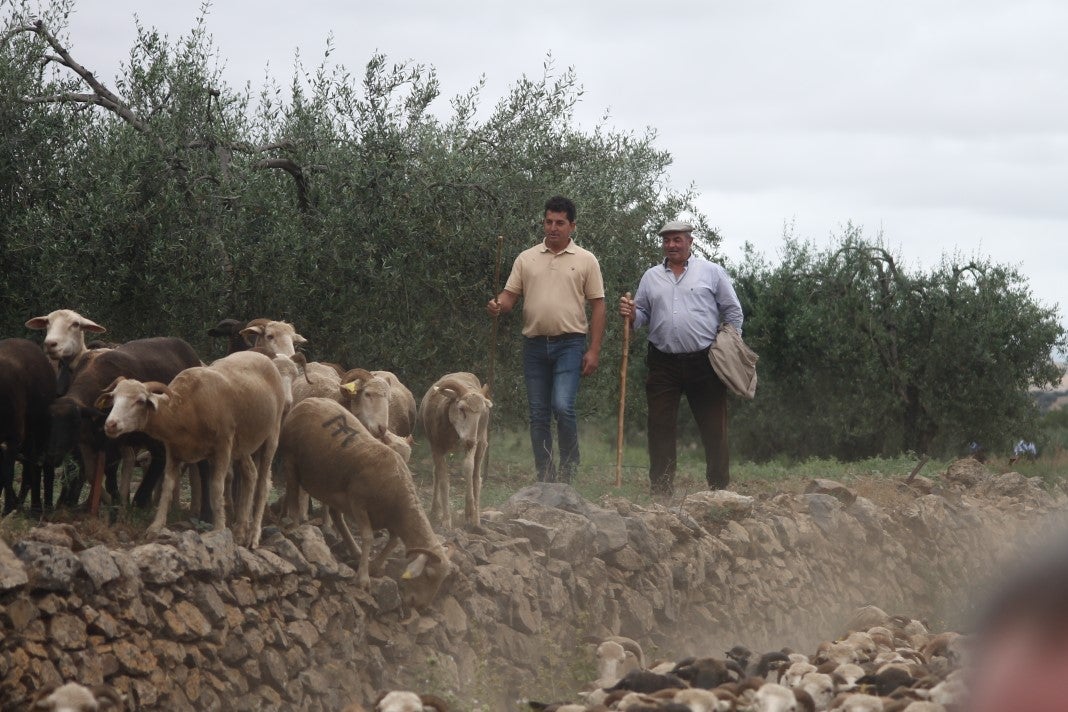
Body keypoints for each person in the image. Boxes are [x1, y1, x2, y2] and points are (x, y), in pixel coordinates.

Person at [619, 220, 744, 496]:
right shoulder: (651, 276)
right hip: (663, 362)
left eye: (677, 240)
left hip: (705, 361)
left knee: (714, 428)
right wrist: (630, 315)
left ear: (690, 242)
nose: (671, 245)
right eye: (667, 241)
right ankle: (661, 491)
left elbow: (733, 311)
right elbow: (642, 318)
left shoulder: (711, 272)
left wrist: (730, 344)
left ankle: (719, 490)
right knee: (660, 426)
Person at [486, 196, 606, 483]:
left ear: (572, 226)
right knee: (538, 413)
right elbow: (510, 297)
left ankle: (568, 469)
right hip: (535, 344)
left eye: (560, 223)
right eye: (549, 221)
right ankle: (545, 474)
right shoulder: (525, 258)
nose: (553, 228)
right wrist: (498, 305)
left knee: (563, 406)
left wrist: (594, 350)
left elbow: (599, 305)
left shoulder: (586, 260)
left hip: (571, 343)